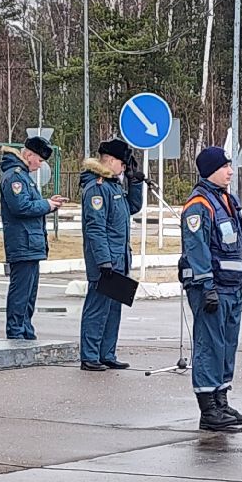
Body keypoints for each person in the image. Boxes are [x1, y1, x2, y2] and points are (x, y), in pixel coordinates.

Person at [179, 146, 242, 431]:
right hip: (211, 288)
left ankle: (221, 401)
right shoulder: (199, 205)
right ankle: (208, 408)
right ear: (211, 170)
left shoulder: (227, 201)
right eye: (225, 167)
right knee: (209, 346)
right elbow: (197, 249)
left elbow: (238, 247)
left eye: (230, 166)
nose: (230, 171)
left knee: (226, 345)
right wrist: (206, 285)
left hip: (231, 287)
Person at [77, 137, 143, 371]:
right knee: (97, 308)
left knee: (113, 308)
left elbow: (133, 208)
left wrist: (135, 183)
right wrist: (103, 260)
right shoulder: (97, 187)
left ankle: (107, 353)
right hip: (105, 261)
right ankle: (90, 356)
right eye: (123, 165)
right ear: (111, 161)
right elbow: (95, 228)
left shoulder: (114, 185)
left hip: (119, 258)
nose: (124, 169)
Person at [0, 135, 65, 340]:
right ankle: (16, 331)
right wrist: (47, 205)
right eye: (40, 161)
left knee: (29, 293)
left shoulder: (24, 176)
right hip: (22, 243)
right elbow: (21, 207)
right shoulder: (15, 177)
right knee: (21, 292)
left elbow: (29, 203)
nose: (40, 165)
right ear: (28, 155)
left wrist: (48, 203)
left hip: (30, 243)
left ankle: (25, 328)